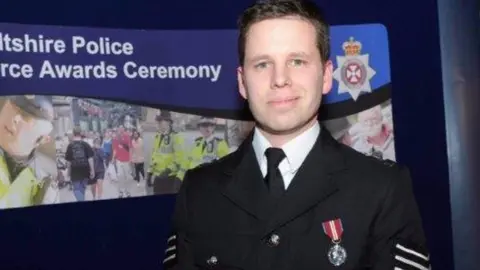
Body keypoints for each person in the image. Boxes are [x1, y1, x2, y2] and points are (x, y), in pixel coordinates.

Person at [163, 0, 430, 270]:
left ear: (326, 76)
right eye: (263, 64)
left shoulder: (381, 189)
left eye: (297, 61)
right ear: (243, 83)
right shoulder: (199, 191)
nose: (280, 78)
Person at [0, 95, 58, 208]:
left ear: (44, 138)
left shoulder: (45, 180)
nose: (15, 118)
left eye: (26, 117)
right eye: (12, 107)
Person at [146, 111, 185, 195]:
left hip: (170, 178)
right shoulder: (158, 136)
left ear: (168, 122)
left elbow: (180, 159)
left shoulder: (176, 137)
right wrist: (150, 172)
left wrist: (168, 170)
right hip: (158, 177)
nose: (158, 123)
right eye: (158, 121)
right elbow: (154, 156)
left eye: (160, 121)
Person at [65, 127, 94, 201]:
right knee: (82, 188)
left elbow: (68, 162)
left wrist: (68, 173)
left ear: (73, 134)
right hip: (85, 169)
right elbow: (90, 159)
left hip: (75, 170)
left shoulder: (70, 146)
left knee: (77, 189)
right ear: (81, 133)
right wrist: (92, 171)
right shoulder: (86, 144)